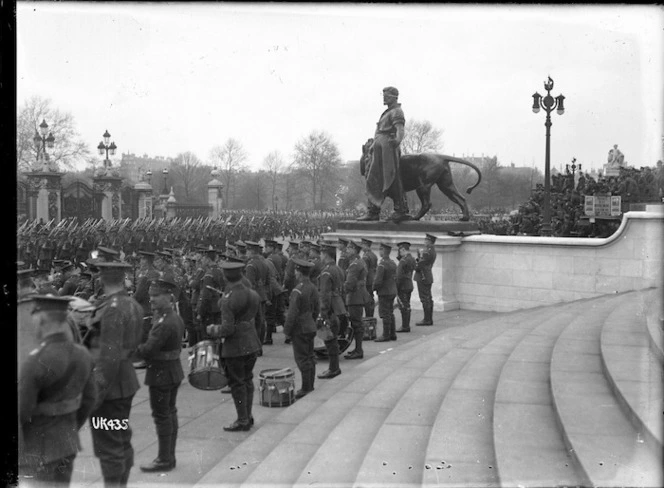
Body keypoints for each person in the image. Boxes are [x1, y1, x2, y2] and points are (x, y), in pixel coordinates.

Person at [19, 295, 98, 487]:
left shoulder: (35, 360)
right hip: (67, 443)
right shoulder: (82, 353)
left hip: (36, 449)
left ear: (42, 320)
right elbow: (90, 398)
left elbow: (22, 411)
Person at [84, 261, 143, 488]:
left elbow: (108, 359)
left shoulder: (112, 309)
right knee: (120, 440)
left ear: (102, 278)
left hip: (110, 388)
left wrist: (94, 395)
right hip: (125, 381)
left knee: (108, 446)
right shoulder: (131, 303)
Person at [135, 276, 185, 473]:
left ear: (168, 297)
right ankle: (168, 456)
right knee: (169, 413)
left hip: (161, 374)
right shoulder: (172, 317)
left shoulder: (164, 321)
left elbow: (148, 350)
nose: (152, 300)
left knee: (161, 415)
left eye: (156, 296)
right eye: (150, 296)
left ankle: (164, 458)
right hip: (172, 370)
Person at [206, 261, 262, 431]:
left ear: (225, 276)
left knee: (237, 384)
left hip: (235, 346)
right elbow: (257, 320)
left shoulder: (227, 299)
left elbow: (227, 329)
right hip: (251, 342)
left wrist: (213, 329)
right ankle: (248, 415)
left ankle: (242, 419)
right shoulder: (253, 294)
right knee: (247, 380)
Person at [357, 86, 410, 223]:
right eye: (383, 95)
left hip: (388, 149)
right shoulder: (388, 112)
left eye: (387, 95)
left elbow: (400, 129)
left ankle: (400, 209)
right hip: (379, 149)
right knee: (374, 178)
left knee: (390, 177)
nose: (384, 98)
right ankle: (373, 211)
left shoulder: (397, 111)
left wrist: (397, 140)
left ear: (394, 97)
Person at [283, 258, 320, 398]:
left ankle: (306, 387)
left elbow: (292, 313)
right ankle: (310, 384)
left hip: (300, 328)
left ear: (298, 272)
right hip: (310, 324)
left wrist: (287, 331)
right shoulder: (313, 287)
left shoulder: (297, 290)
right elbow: (316, 309)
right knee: (310, 356)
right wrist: (311, 319)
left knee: (302, 358)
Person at [317, 244, 346, 379]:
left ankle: (333, 368)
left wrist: (323, 312)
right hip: (339, 305)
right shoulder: (338, 269)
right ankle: (334, 367)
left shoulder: (326, 272)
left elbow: (325, 294)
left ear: (325, 254)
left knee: (329, 338)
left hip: (330, 309)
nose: (320, 256)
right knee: (333, 337)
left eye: (321, 254)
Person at [343, 240, 371, 360]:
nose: (347, 250)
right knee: (356, 323)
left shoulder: (355, 264)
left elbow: (350, 284)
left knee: (356, 324)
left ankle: (359, 350)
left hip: (355, 296)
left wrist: (342, 290)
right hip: (359, 295)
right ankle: (357, 349)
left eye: (349, 248)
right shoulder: (360, 261)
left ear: (355, 250)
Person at [373, 242, 398, 342]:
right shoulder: (392, 262)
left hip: (384, 291)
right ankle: (392, 334)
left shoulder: (382, 264)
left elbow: (378, 280)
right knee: (390, 312)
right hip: (392, 290)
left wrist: (373, 288)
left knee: (385, 313)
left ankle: (386, 335)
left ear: (383, 251)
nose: (379, 251)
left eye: (380, 249)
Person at [414, 234, 437, 326]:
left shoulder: (427, 252)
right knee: (428, 298)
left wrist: (417, 260)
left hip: (423, 276)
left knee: (425, 298)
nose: (425, 241)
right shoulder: (430, 251)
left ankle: (427, 319)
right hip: (427, 275)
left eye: (426, 240)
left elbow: (420, 265)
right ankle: (428, 318)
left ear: (430, 241)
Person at [395, 241, 416, 333]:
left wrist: (396, 287)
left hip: (402, 286)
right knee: (407, 305)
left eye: (400, 251)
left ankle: (405, 326)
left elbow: (398, 276)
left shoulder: (403, 261)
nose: (399, 253)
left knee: (403, 306)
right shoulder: (412, 259)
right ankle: (406, 325)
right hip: (409, 284)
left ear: (403, 249)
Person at [361, 238, 378, 318]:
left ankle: (368, 315)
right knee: (371, 296)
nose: (362, 247)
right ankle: (371, 313)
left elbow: (365, 270)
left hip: (368, 280)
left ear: (366, 245)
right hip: (373, 278)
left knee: (367, 298)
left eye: (363, 245)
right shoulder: (373, 255)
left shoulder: (365, 256)